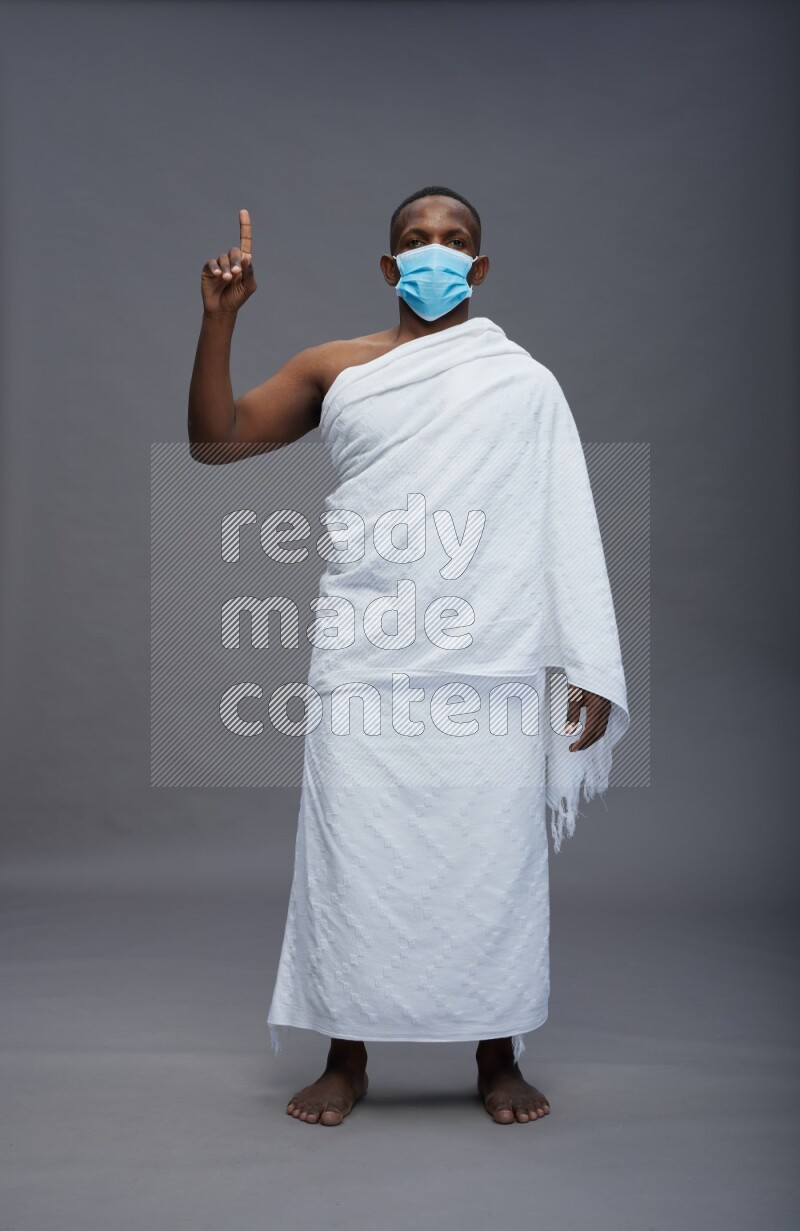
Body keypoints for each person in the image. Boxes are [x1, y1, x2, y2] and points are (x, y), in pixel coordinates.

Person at [188, 186, 629, 1126]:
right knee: (354, 851)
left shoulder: (524, 382)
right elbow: (216, 443)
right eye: (417, 240)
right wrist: (220, 320)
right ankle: (345, 1054)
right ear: (390, 266)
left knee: (491, 856)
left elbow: (565, 518)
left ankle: (497, 1050)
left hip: (489, 659)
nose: (436, 251)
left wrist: (585, 659)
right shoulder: (336, 368)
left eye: (454, 240)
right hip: (365, 658)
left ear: (479, 266)